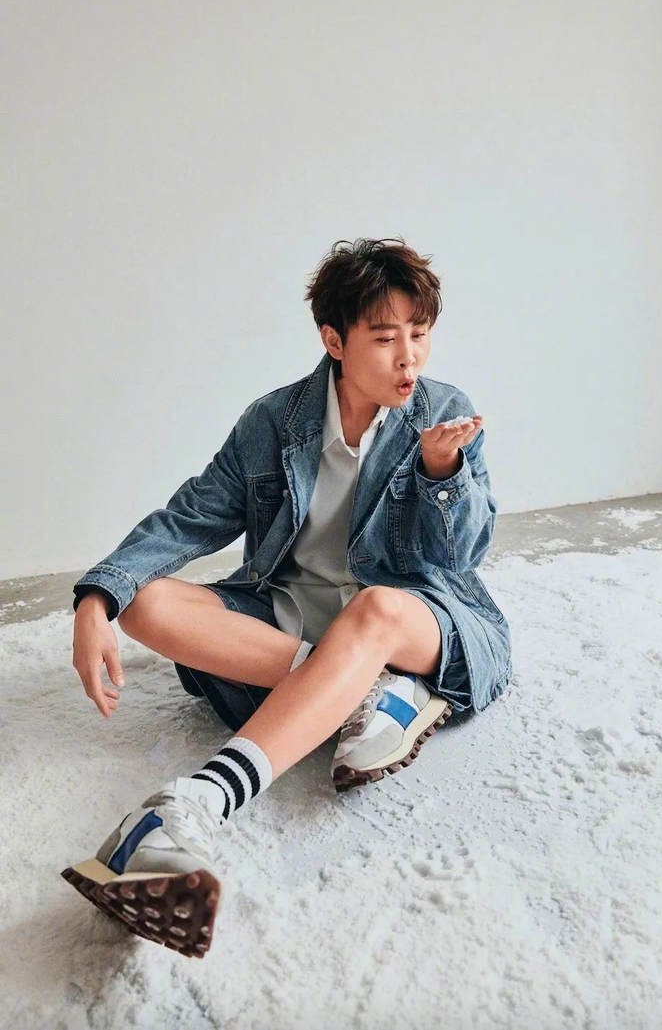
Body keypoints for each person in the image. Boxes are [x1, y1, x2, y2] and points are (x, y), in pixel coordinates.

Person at [63, 236, 513, 958]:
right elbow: (188, 518)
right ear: (334, 341)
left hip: (414, 621)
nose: (409, 358)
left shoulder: (444, 413)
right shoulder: (273, 423)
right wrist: (97, 601)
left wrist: (441, 472)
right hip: (287, 633)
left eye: (420, 334)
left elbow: (460, 559)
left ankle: (195, 802)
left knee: (373, 609)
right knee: (146, 602)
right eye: (385, 338)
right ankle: (365, 692)